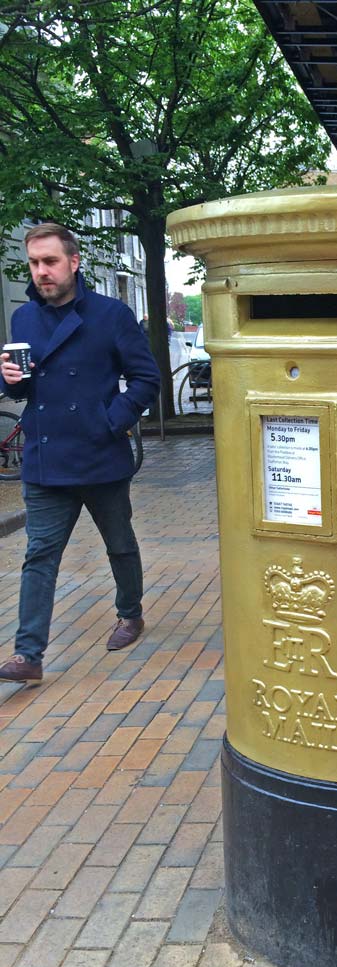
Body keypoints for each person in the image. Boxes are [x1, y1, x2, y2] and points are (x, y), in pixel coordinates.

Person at [0, 223, 160, 685]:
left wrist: (111, 421)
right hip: (47, 459)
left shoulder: (111, 314)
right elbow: (26, 383)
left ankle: (130, 613)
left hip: (99, 455)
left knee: (120, 544)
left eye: (49, 262)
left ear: (74, 262)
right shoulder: (24, 318)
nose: (41, 272)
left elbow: (147, 378)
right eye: (34, 263)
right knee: (39, 556)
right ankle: (28, 655)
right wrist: (7, 378)